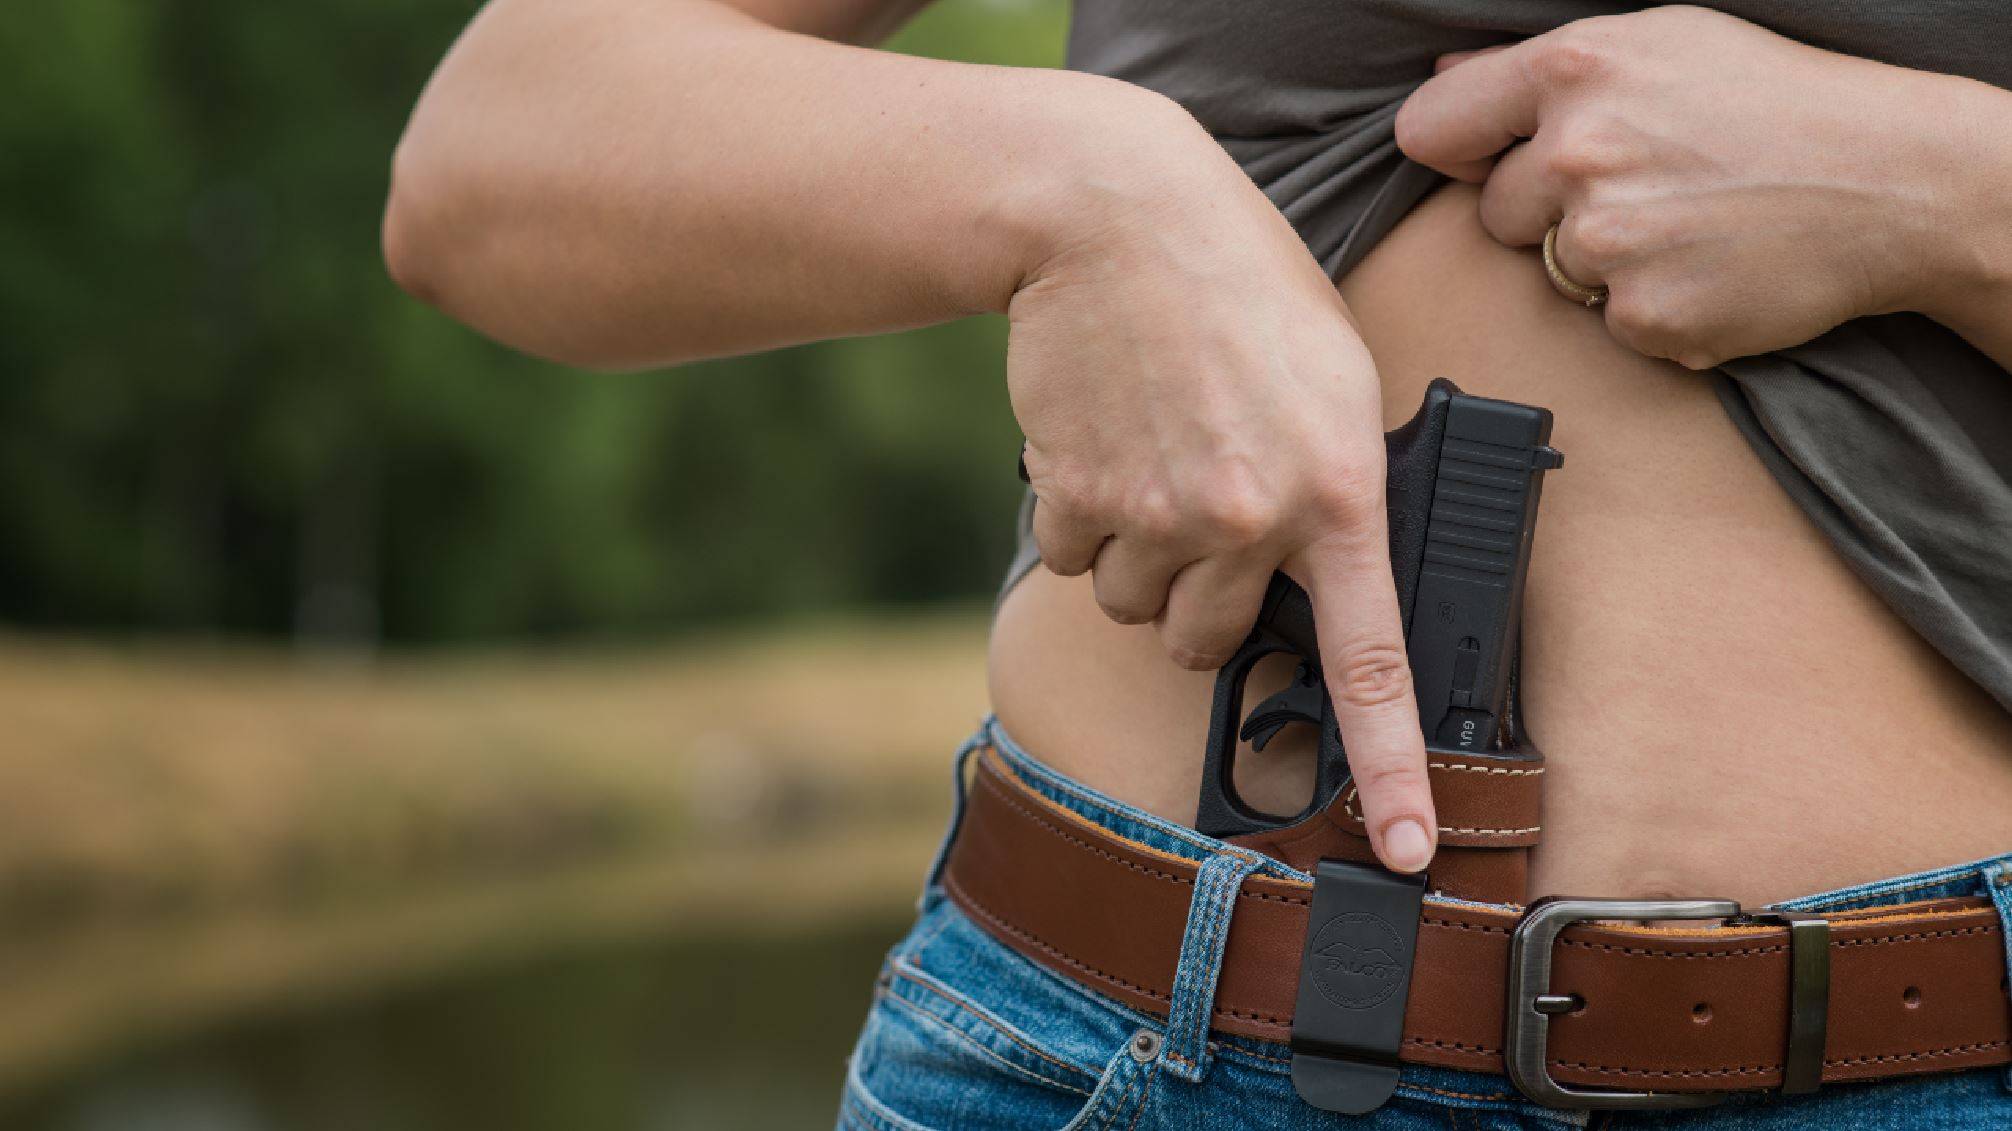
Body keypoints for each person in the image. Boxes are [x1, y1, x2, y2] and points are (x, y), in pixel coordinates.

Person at [383, 1, 2012, 1125]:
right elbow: (489, 161)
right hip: (1101, 1040)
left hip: (1932, 1068)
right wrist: (1080, 194)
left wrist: (1951, 191)